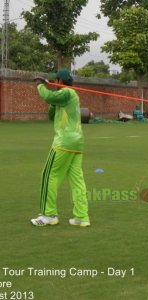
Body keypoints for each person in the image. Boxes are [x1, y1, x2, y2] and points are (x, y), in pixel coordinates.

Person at [31, 69, 90, 227]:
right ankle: (81, 217)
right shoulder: (67, 96)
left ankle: (48, 215)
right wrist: (52, 100)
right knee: (77, 180)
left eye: (56, 81)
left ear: (59, 81)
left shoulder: (67, 93)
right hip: (77, 143)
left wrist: (40, 85)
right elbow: (51, 114)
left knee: (48, 175)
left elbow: (48, 95)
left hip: (64, 142)